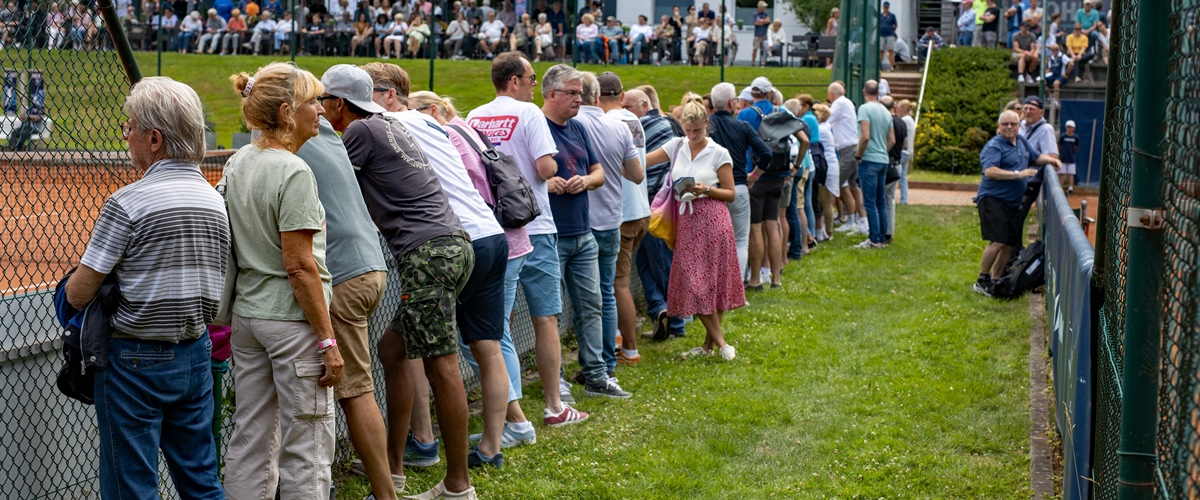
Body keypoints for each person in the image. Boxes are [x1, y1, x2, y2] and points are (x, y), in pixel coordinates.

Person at [62, 77, 226, 500]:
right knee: (201, 479)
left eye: (129, 127)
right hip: (194, 351)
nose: (126, 136)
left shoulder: (129, 201)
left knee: (130, 486)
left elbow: (80, 293)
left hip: (134, 358)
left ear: (154, 139)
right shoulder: (214, 198)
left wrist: (68, 291)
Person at [320, 64, 477, 499]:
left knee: (442, 367)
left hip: (427, 254)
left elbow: (329, 181)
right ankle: (395, 468)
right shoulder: (386, 124)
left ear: (337, 104)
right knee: (393, 348)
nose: (318, 111)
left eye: (321, 103)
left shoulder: (356, 133)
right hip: (451, 247)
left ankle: (459, 486)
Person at [358, 62, 513, 473]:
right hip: (489, 235)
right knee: (483, 346)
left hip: (445, 242)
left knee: (428, 353)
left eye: (367, 89)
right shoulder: (432, 123)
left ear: (390, 94)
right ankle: (492, 446)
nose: (361, 99)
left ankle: (425, 445)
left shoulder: (384, 124)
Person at [222, 63, 342, 499]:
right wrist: (328, 341)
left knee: (252, 435)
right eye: (314, 101)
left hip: (248, 315)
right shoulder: (294, 171)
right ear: (289, 112)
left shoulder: (239, 162)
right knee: (307, 444)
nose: (322, 111)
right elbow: (299, 265)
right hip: (292, 321)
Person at [407, 90, 540, 453]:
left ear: (432, 110)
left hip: (480, 240)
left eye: (412, 112)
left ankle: (516, 421)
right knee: (492, 340)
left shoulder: (445, 136)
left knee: (488, 342)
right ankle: (500, 436)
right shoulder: (467, 129)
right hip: (507, 238)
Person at [467, 52, 588, 426]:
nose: (536, 85)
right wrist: (552, 170)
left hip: (492, 227)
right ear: (514, 81)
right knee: (545, 319)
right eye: (532, 79)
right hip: (534, 226)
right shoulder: (530, 113)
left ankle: (509, 410)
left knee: (497, 324)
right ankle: (554, 405)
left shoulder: (474, 115)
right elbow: (544, 166)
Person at [292, 109, 396, 500]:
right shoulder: (330, 135)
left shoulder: (289, 145)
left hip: (345, 275)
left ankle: (385, 494)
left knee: (354, 390)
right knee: (354, 385)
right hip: (372, 265)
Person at [539, 64, 632, 399]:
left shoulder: (577, 128)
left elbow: (599, 173)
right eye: (573, 93)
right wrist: (546, 183)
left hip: (583, 232)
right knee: (551, 313)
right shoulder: (537, 125)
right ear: (552, 94)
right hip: (550, 234)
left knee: (591, 304)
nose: (581, 99)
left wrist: (586, 180)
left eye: (581, 92)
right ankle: (557, 378)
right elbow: (520, 171)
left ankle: (596, 374)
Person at [643, 99, 744, 361]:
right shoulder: (676, 145)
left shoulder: (718, 152)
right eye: (688, 130)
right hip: (687, 221)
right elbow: (641, 161)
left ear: (706, 125)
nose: (693, 135)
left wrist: (706, 189)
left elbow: (730, 193)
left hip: (713, 217)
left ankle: (711, 346)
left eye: (697, 130)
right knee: (693, 282)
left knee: (713, 282)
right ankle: (722, 344)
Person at [575, 71, 646, 372]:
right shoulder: (631, 121)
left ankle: (626, 348)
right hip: (637, 208)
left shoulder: (593, 124)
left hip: (618, 214)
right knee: (616, 286)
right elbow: (637, 171)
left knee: (615, 287)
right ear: (620, 95)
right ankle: (617, 344)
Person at [974, 110, 1061, 296]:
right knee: (997, 241)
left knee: (1009, 243)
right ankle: (982, 280)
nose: (1009, 127)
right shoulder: (994, 146)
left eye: (1013, 124)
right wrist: (1017, 174)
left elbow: (1036, 158)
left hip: (1013, 203)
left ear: (1018, 125)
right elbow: (990, 171)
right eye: (1005, 124)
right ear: (999, 126)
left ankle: (996, 280)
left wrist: (1052, 160)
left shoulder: (1021, 141)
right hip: (993, 200)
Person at [854, 80, 895, 249]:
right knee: (880, 201)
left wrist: (858, 154)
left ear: (864, 92)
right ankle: (881, 237)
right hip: (883, 159)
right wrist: (882, 151)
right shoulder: (885, 112)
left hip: (869, 159)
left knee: (869, 202)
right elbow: (892, 139)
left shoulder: (865, 109)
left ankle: (873, 239)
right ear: (878, 92)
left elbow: (865, 136)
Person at [828, 81, 864, 235]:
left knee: (833, 184)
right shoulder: (847, 102)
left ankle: (829, 221)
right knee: (853, 187)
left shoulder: (838, 104)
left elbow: (827, 119)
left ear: (831, 95)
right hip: (852, 149)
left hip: (846, 150)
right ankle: (859, 221)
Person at [812, 103, 841, 243]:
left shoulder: (821, 128)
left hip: (826, 165)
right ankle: (826, 229)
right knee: (826, 200)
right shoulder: (827, 127)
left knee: (825, 200)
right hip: (831, 163)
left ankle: (828, 231)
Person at [880, 95, 906, 242]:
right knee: (889, 200)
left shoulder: (886, 121)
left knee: (880, 198)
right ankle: (889, 231)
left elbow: (889, 140)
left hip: (886, 162)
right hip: (897, 163)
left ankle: (881, 231)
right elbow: (905, 144)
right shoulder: (901, 123)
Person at [897, 99, 915, 205]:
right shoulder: (910, 120)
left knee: (895, 173)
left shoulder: (905, 120)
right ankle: (904, 199)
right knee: (902, 176)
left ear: (903, 109)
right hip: (908, 151)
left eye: (899, 107)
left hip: (903, 151)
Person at [1058, 120, 1079, 194]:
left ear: (1074, 128)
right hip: (1063, 158)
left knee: (1071, 174)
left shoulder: (1076, 137)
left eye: (1071, 127)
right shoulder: (1063, 136)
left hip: (1071, 158)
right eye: (1068, 127)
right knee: (1062, 173)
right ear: (1066, 128)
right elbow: (1059, 145)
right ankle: (1061, 188)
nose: (1069, 129)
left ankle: (1070, 188)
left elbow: (1076, 146)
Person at [878, 1, 898, 69]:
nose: (885, 8)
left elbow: (895, 25)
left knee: (890, 50)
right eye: (884, 7)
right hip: (881, 34)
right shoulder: (880, 15)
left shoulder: (892, 15)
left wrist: (892, 31)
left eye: (887, 7)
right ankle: (879, 65)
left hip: (889, 34)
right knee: (881, 50)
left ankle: (892, 65)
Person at [750, 1, 770, 67]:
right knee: (755, 48)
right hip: (757, 34)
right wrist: (764, 22)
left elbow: (768, 21)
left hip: (764, 34)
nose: (765, 8)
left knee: (764, 49)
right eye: (763, 7)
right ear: (759, 7)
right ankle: (753, 62)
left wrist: (761, 21)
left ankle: (763, 62)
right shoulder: (755, 14)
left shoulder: (766, 14)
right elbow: (755, 23)